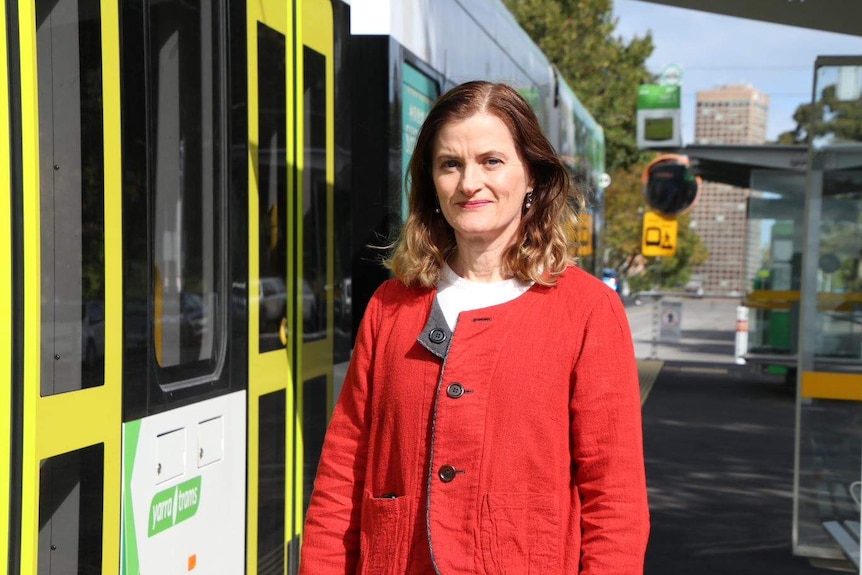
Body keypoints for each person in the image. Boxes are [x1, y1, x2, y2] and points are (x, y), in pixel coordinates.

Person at [300, 80, 649, 574]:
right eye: (450, 164)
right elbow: (342, 472)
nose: (469, 183)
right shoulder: (392, 306)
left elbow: (614, 500)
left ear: (532, 176)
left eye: (492, 161)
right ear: (431, 182)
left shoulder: (587, 311)